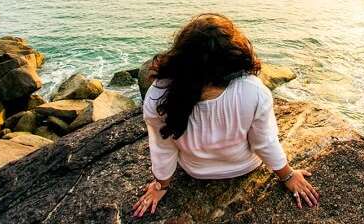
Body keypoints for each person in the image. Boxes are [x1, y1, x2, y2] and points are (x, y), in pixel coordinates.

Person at [132, 13, 319, 217]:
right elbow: (264, 142)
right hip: (243, 166)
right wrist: (288, 176)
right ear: (234, 56)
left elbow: (162, 148)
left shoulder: (159, 93)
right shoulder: (252, 90)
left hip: (196, 171)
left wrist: (161, 185)